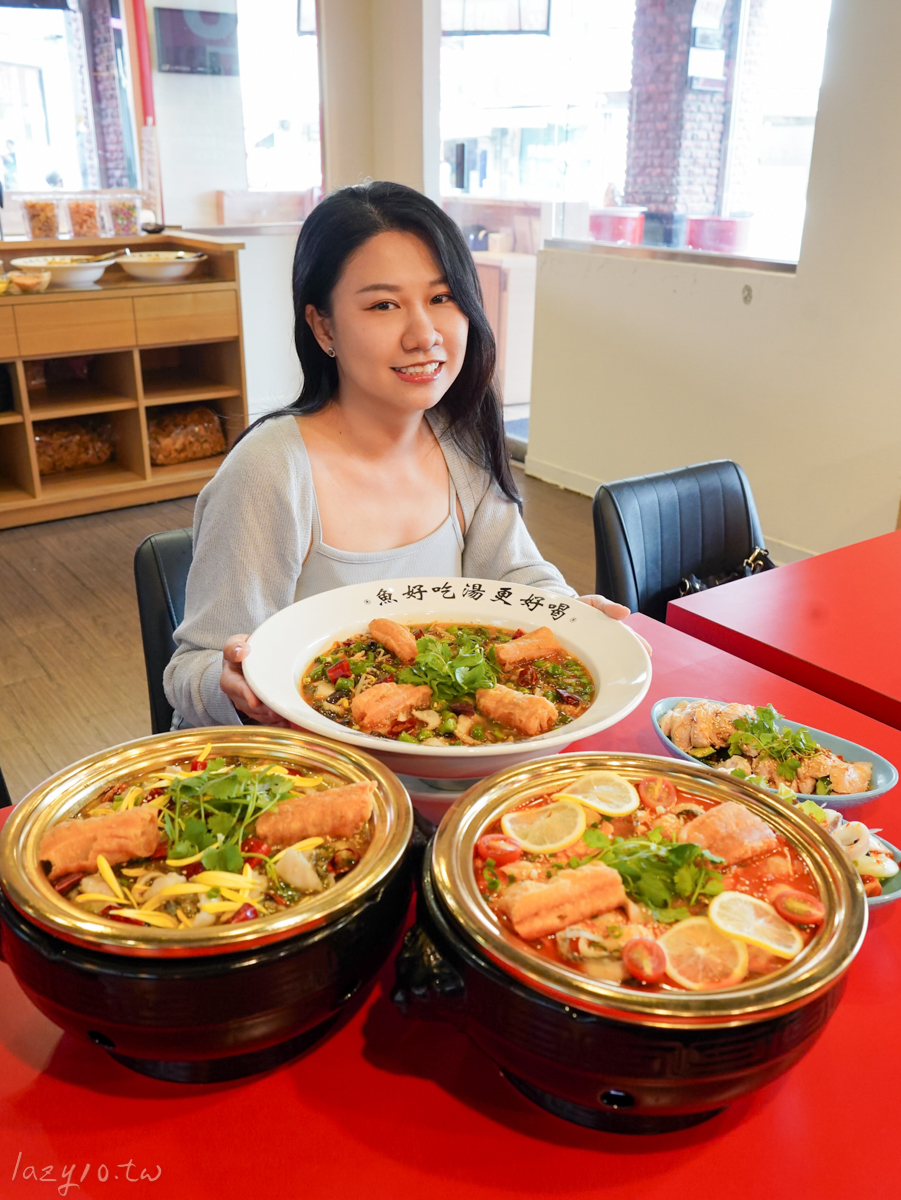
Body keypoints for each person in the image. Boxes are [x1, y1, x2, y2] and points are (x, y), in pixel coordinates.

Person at [164, 181, 634, 729]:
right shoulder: (271, 471)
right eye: (384, 304)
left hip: (443, 758)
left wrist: (570, 616)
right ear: (323, 327)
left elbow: (517, 576)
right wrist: (233, 685)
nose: (424, 334)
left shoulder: (460, 441)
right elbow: (190, 670)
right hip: (317, 770)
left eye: (441, 298)